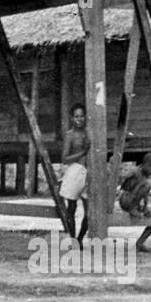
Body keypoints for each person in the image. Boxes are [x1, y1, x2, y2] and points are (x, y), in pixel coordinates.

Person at [59, 103, 89, 244]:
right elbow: (64, 158)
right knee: (71, 208)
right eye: (76, 116)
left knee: (90, 211)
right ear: (72, 118)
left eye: (82, 115)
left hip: (89, 173)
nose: (79, 119)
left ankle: (80, 238)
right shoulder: (70, 135)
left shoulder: (89, 132)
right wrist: (83, 152)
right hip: (74, 170)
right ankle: (73, 240)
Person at [118, 152, 151, 219]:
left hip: (134, 201)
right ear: (145, 164)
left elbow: (146, 194)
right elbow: (121, 176)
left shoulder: (147, 178)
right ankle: (131, 209)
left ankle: (135, 208)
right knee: (147, 183)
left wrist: (145, 206)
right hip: (125, 199)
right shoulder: (135, 170)